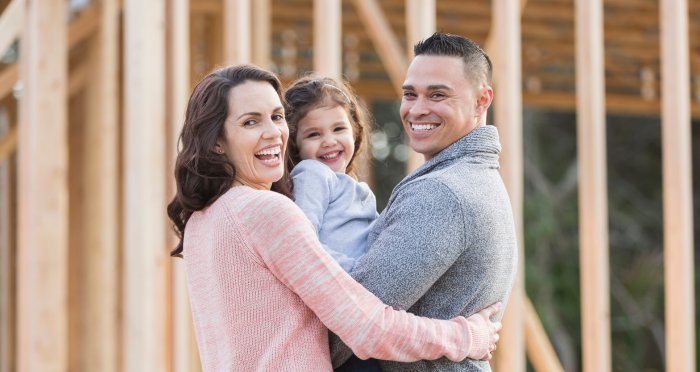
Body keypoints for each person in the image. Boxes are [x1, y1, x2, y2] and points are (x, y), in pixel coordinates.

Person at [167, 64, 503, 371]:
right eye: (250, 121)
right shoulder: (266, 212)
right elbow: (367, 327)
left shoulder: (200, 222)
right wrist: (467, 336)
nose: (273, 133)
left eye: (277, 116)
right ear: (217, 143)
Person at [330, 32, 519, 371]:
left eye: (437, 95)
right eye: (410, 94)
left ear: (481, 100)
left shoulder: (444, 193)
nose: (417, 109)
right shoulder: (477, 180)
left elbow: (352, 318)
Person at [285, 76, 376, 272]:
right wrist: (357, 272)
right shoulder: (312, 174)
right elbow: (303, 243)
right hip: (339, 283)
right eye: (314, 134)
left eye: (338, 129)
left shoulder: (357, 188)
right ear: (295, 145)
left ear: (354, 132)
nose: (329, 141)